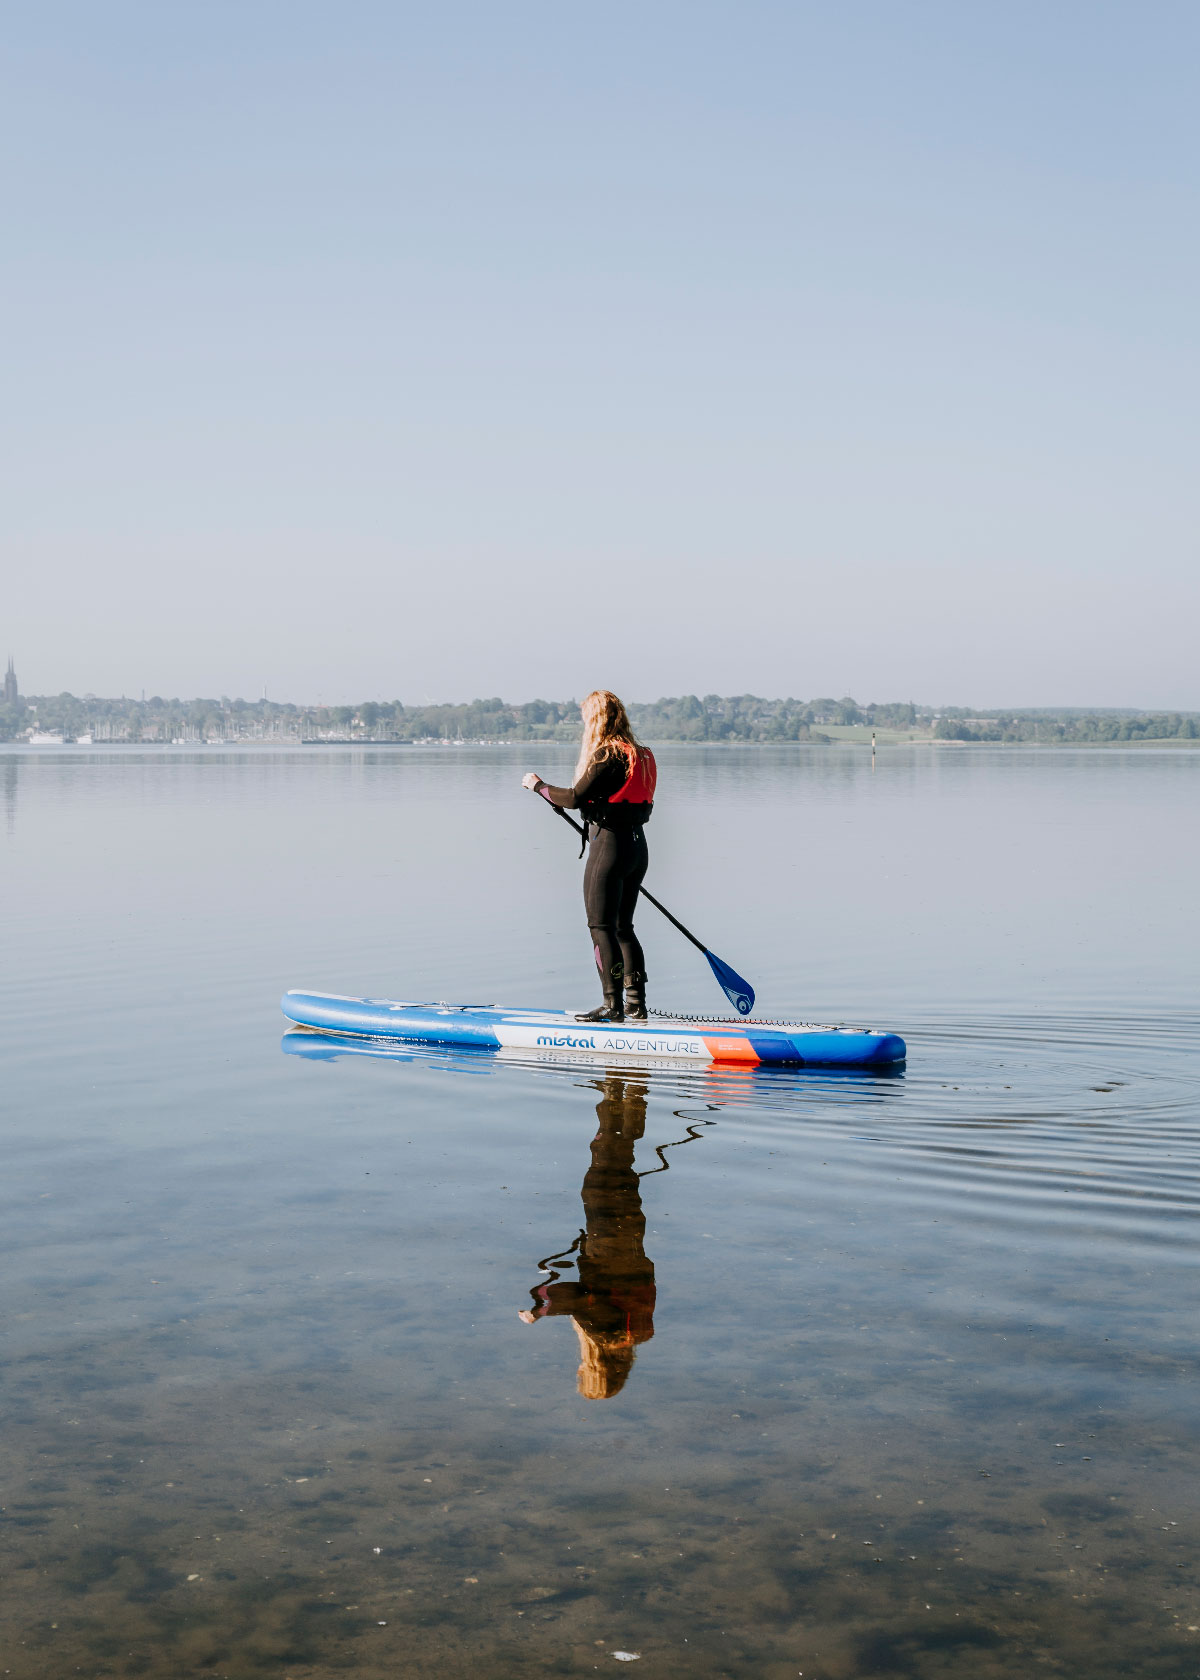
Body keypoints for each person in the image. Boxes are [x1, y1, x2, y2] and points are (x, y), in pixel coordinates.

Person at [518, 1074, 656, 1399]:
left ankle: (633, 1093)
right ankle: (614, 1089)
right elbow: (578, 1297)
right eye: (582, 1368)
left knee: (621, 1158)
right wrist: (539, 1312)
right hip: (608, 1236)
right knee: (604, 1159)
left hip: (631, 1235)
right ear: (591, 1367)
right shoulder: (606, 1332)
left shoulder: (636, 1331)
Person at [522, 689, 656, 1024]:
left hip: (609, 849)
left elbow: (573, 798)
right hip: (638, 849)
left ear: (595, 719)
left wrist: (538, 785)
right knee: (624, 927)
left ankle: (612, 1006)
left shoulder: (607, 755)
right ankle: (636, 1005)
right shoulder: (643, 755)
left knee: (600, 927)